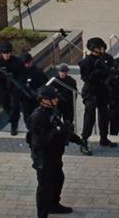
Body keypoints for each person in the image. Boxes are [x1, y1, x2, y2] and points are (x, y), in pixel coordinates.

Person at [28, 86, 84, 217]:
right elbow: (39, 141)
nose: (56, 99)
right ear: (44, 100)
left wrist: (76, 139)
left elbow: (61, 128)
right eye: (53, 97)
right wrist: (57, 130)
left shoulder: (52, 111)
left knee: (58, 179)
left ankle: (53, 205)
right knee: (45, 187)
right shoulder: (38, 116)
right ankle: (42, 214)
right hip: (44, 157)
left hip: (54, 154)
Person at [78, 37, 116, 155]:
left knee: (104, 115)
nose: (102, 49)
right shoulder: (86, 61)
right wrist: (98, 71)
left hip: (103, 90)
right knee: (89, 116)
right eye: (100, 47)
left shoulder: (105, 59)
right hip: (91, 92)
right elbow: (86, 78)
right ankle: (84, 141)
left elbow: (111, 70)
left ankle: (103, 138)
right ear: (95, 48)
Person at [0, 41, 28, 136]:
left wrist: (16, 79)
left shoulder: (17, 61)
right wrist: (3, 77)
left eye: (8, 52)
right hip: (3, 87)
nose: (6, 55)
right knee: (5, 104)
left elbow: (23, 74)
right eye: (4, 53)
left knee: (15, 106)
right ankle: (13, 117)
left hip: (15, 88)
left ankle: (13, 126)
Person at [22, 53, 46, 123]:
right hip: (25, 99)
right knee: (27, 118)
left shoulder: (37, 71)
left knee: (37, 118)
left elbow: (43, 83)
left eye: (27, 62)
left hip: (36, 98)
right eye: (25, 63)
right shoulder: (20, 72)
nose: (26, 65)